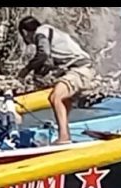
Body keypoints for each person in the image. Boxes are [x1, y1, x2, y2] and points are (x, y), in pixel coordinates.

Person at [17, 16, 98, 144]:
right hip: (82, 69)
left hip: (80, 70)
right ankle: (65, 135)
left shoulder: (40, 33)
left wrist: (25, 71)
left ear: (25, 32)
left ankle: (64, 137)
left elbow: (43, 54)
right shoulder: (50, 31)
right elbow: (49, 61)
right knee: (65, 100)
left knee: (55, 97)